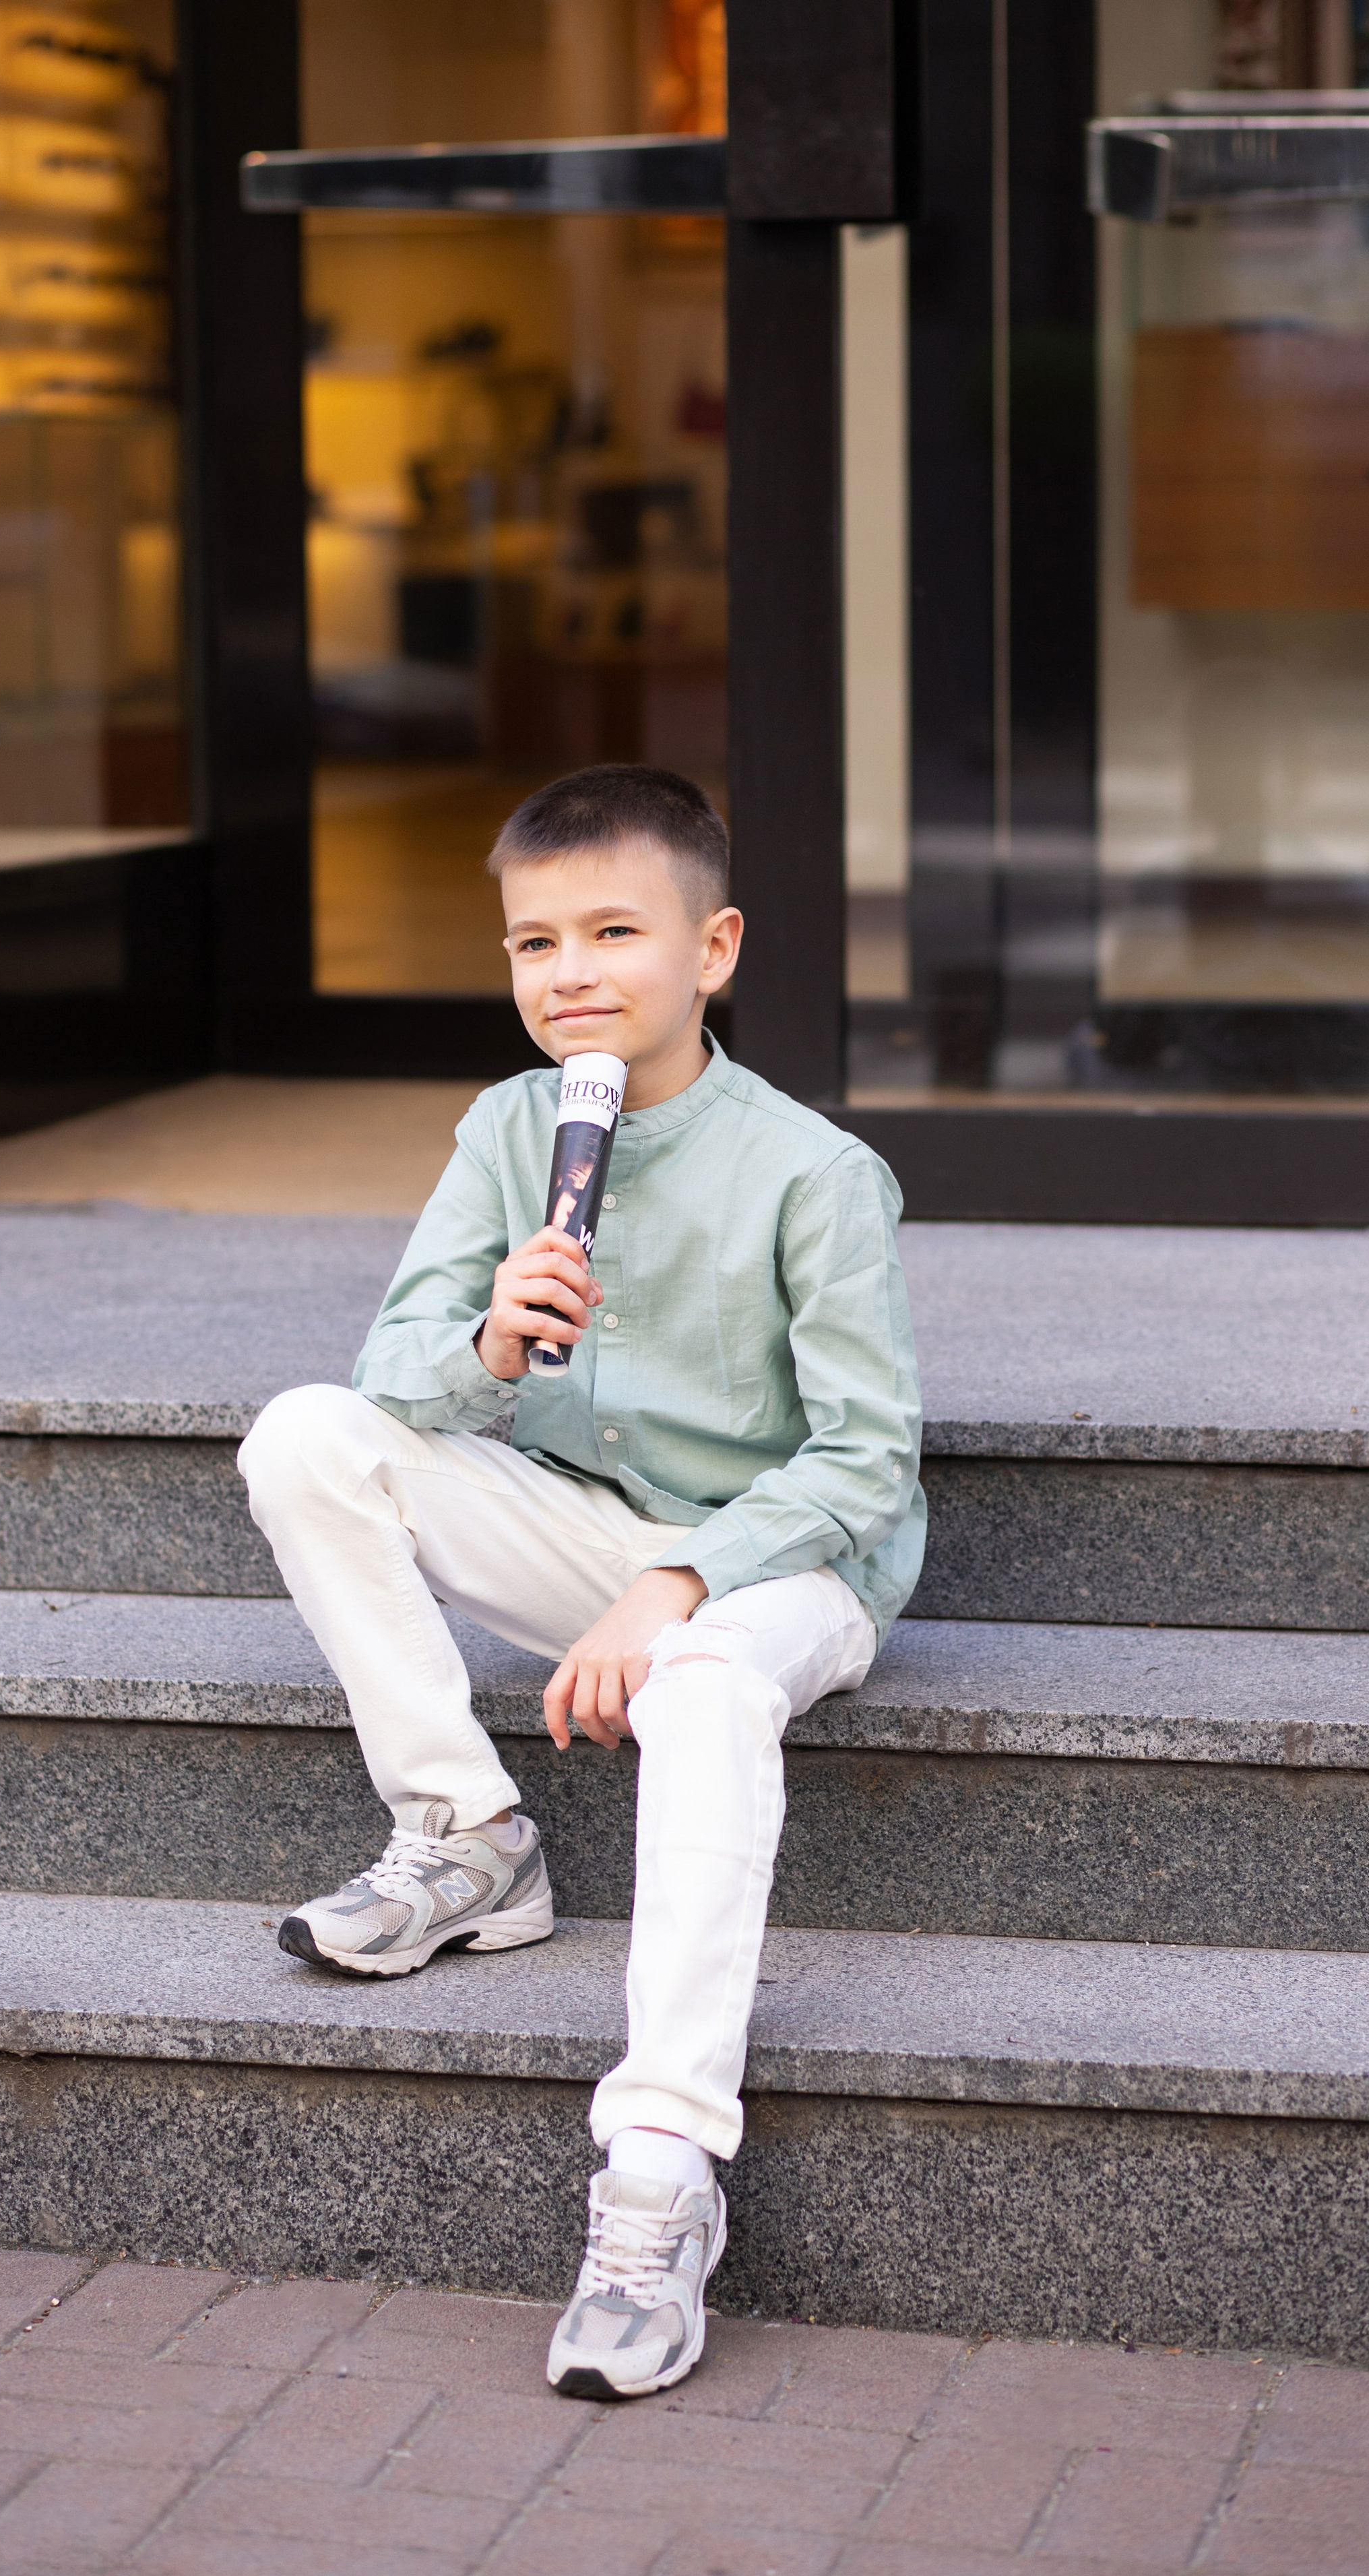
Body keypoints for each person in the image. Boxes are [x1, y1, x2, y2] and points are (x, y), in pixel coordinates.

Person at [237, 762, 924, 2401]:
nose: (570, 975)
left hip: (784, 1567)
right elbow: (393, 1369)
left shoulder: (814, 1174)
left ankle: (659, 2175)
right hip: (588, 1530)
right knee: (307, 1437)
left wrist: (678, 1583)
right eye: (533, 943)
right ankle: (469, 1838)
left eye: (614, 931)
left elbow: (864, 1461)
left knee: (695, 1680)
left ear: (715, 950)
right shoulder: (506, 1129)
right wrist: (488, 1338)